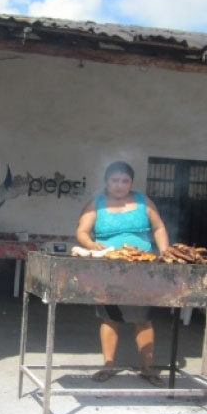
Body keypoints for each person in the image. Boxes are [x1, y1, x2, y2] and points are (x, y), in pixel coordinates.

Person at [75, 161, 169, 386]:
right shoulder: (95, 204)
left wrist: (166, 253)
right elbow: (82, 230)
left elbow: (159, 227)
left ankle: (147, 367)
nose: (120, 185)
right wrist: (90, 244)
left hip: (141, 267)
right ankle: (108, 365)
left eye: (125, 181)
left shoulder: (143, 201)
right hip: (108, 267)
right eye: (115, 180)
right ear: (107, 182)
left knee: (143, 318)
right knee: (110, 316)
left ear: (131, 183)